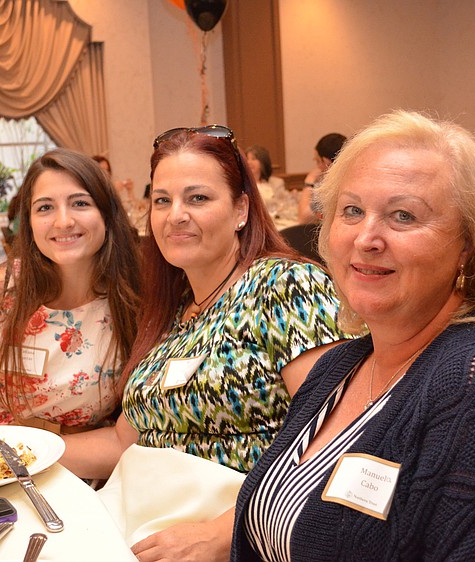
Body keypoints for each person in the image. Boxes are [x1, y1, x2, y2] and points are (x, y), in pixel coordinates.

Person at [231, 110, 475, 561]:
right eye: (352, 210)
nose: (366, 238)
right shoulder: (340, 367)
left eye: (403, 215)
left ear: (467, 244)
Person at [62, 125, 349, 560]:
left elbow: (338, 439)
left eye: (197, 198)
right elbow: (123, 442)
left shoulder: (285, 286)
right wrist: (14, 449)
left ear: (241, 209)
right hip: (141, 521)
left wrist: (222, 534)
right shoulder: (174, 309)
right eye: (162, 200)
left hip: (240, 536)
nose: (175, 215)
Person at [0, 149, 141, 437]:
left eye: (80, 203)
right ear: (29, 221)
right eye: (45, 207)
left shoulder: (132, 298)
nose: (63, 221)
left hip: (88, 453)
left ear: (107, 214)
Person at [296, 133, 346, 224]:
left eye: (317, 161)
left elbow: (303, 218)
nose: (318, 167)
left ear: (326, 162)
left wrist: (309, 182)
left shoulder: (332, 189)